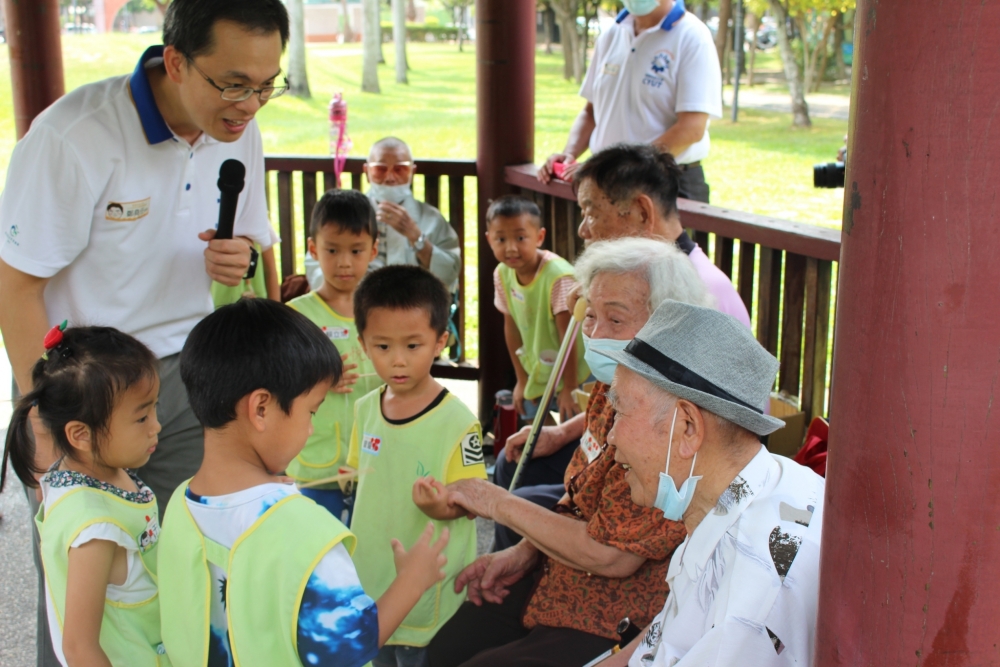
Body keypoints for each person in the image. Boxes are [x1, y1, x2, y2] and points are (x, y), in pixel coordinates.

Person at [0, 5, 288, 660]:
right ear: (177, 60)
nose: (250, 104)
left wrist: (236, 260)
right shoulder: (75, 137)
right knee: (86, 594)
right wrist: (43, 415)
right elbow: (15, 286)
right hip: (87, 392)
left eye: (268, 84)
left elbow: (248, 257)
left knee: (188, 566)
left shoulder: (238, 129)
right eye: (234, 83)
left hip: (189, 378)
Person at [426, 238, 707, 667]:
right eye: (591, 316)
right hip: (562, 573)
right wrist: (523, 551)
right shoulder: (609, 389)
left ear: (668, 325)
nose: (595, 334)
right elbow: (578, 495)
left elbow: (610, 556)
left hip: (623, 608)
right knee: (446, 650)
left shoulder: (674, 419)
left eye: (616, 319)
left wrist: (496, 503)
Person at [157, 299, 451, 667]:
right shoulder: (306, 533)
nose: (311, 428)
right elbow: (348, 645)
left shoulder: (178, 504)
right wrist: (412, 580)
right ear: (261, 408)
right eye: (310, 411)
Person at [594, 300, 824, 666]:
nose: (611, 438)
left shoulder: (749, 602)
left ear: (687, 427)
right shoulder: (755, 484)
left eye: (620, 412)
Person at [346, 266, 486, 667]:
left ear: (441, 341)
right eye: (383, 347)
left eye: (413, 345)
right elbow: (365, 480)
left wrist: (439, 507)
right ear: (363, 344)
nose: (398, 361)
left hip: (428, 586)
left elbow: (472, 501)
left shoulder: (458, 422)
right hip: (372, 575)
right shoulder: (365, 409)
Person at [1, 325, 165, 666]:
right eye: (141, 417)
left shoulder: (87, 474)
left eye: (154, 409)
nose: (157, 426)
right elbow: (79, 647)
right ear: (81, 435)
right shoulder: (95, 529)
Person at [538, 0, 722, 203]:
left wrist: (620, 167)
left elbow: (691, 129)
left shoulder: (692, 36)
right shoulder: (611, 34)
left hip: (664, 184)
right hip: (607, 184)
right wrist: (569, 153)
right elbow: (591, 111)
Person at [286, 189, 384, 524]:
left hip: (377, 460)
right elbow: (276, 382)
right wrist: (321, 378)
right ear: (313, 249)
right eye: (332, 250)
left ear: (373, 249)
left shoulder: (385, 314)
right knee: (319, 548)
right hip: (317, 465)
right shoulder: (296, 316)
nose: (344, 262)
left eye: (356, 251)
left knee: (372, 547)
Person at [575, 144, 750, 327]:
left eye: (592, 215)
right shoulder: (649, 279)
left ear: (642, 213)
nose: (583, 231)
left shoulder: (700, 293)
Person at [306, 137, 462, 293]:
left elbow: (450, 273)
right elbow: (316, 267)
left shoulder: (431, 218)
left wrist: (416, 236)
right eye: (380, 170)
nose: (390, 178)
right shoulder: (347, 214)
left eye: (399, 169)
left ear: (412, 172)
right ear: (367, 172)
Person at [489, 195, 588, 422]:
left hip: (575, 368)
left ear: (539, 237)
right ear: (489, 240)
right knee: (529, 412)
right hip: (541, 366)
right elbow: (511, 328)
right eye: (501, 239)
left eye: (521, 237)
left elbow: (569, 335)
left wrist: (570, 387)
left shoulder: (558, 277)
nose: (511, 248)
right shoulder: (502, 273)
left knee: (572, 422)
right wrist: (521, 379)